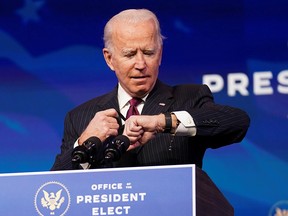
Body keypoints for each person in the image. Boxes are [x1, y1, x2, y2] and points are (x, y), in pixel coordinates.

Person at [51, 9, 250, 171]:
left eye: (148, 52)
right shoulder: (80, 117)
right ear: (109, 59)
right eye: (129, 54)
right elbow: (54, 187)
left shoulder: (189, 98)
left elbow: (237, 123)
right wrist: (85, 142)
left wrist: (160, 122)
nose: (140, 64)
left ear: (160, 54)